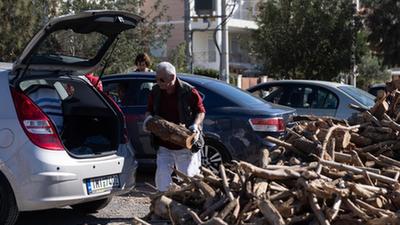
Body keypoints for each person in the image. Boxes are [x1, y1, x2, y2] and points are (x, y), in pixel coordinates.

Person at [143, 62, 205, 192]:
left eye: (161, 79)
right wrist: (148, 120)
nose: (158, 82)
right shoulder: (155, 91)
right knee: (162, 177)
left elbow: (201, 111)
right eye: (156, 78)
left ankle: (190, 205)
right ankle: (163, 205)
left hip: (184, 145)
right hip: (164, 144)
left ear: (172, 77)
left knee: (188, 179)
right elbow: (149, 110)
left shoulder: (189, 91)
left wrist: (195, 125)